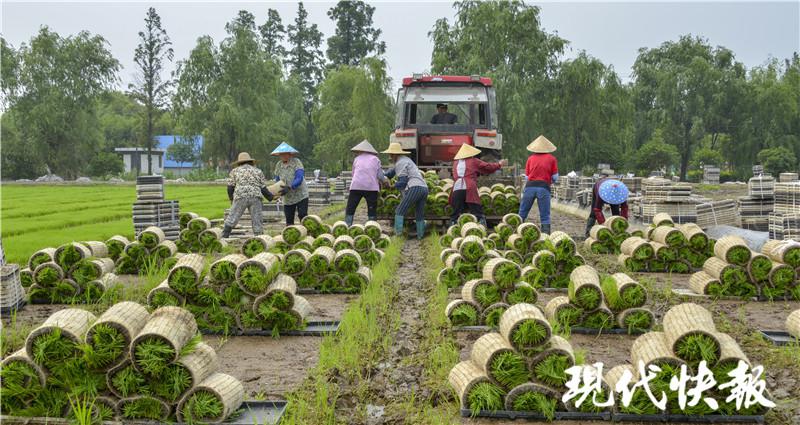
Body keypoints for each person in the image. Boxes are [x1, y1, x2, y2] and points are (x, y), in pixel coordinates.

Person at [449, 144, 507, 226]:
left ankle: (453, 227)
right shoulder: (473, 161)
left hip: (457, 188)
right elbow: (488, 167)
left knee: (456, 211)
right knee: (476, 209)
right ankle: (482, 225)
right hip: (469, 187)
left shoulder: (455, 163)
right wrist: (499, 164)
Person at [382, 142, 428, 238]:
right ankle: (420, 236)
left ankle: (398, 235)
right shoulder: (405, 160)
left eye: (390, 154)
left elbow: (403, 182)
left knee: (399, 210)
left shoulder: (400, 162)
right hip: (424, 188)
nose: (390, 156)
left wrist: (392, 186)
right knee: (419, 213)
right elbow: (391, 173)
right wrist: (383, 176)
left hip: (415, 188)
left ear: (394, 154)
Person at [222, 152, 274, 237]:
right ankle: (259, 238)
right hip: (255, 197)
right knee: (257, 219)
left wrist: (231, 199)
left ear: (239, 162)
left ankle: (224, 236)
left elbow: (230, 187)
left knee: (233, 216)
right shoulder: (258, 171)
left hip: (240, 196)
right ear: (250, 161)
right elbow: (263, 188)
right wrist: (271, 197)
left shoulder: (235, 171)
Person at [518, 135, 559, 234]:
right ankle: (545, 236)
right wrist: (549, 181)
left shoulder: (530, 159)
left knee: (522, 212)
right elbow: (555, 177)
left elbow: (527, 177)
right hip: (543, 188)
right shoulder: (552, 159)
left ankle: (517, 232)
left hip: (530, 187)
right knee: (545, 215)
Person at [345, 140, 387, 226]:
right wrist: (385, 182)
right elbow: (380, 175)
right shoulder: (375, 159)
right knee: (372, 209)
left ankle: (347, 225)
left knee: (350, 208)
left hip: (356, 186)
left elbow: (353, 174)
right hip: (371, 188)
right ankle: (372, 226)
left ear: (360, 150)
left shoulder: (356, 159)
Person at [271, 142, 309, 225]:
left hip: (300, 195)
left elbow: (299, 177)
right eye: (281, 154)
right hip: (288, 197)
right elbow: (277, 179)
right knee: (289, 220)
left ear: (290, 154)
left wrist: (290, 186)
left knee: (302, 215)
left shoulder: (296, 162)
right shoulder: (279, 165)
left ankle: (307, 233)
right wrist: (276, 192)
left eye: (285, 154)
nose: (283, 156)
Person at [585, 170, 629, 237]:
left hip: (614, 195)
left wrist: (624, 222)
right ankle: (588, 232)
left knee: (616, 214)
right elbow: (597, 210)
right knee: (593, 213)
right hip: (599, 188)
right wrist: (603, 225)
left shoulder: (621, 194)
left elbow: (624, 208)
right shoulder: (601, 193)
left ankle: (617, 232)